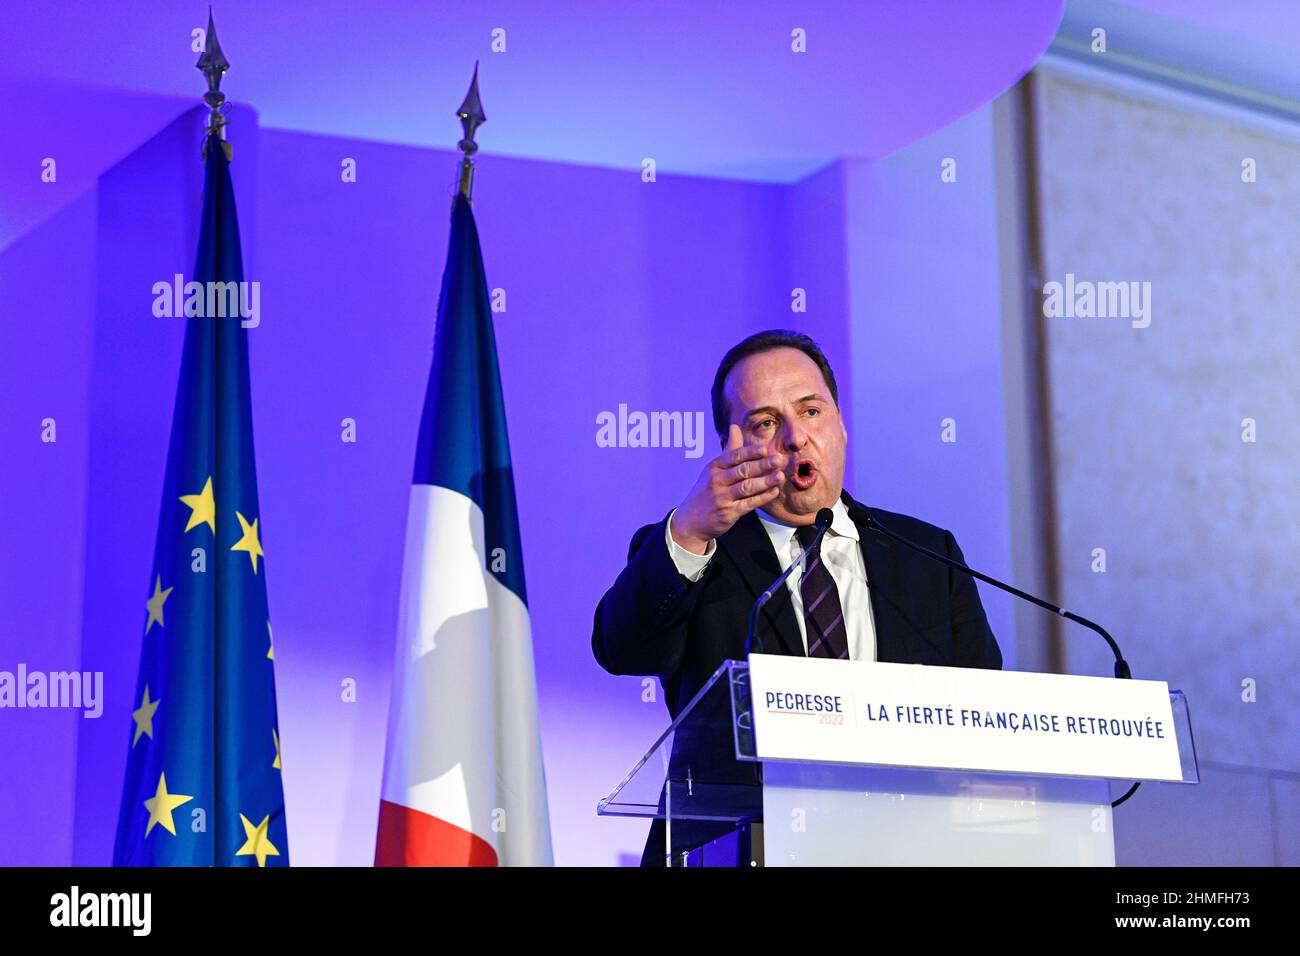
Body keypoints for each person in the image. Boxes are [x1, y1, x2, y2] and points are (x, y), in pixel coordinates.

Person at [591, 329, 1003, 866]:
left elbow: (982, 718)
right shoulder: (695, 550)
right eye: (766, 423)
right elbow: (622, 650)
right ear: (730, 449)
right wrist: (692, 529)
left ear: (840, 426)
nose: (795, 437)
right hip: (736, 851)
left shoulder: (928, 555)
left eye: (811, 411)